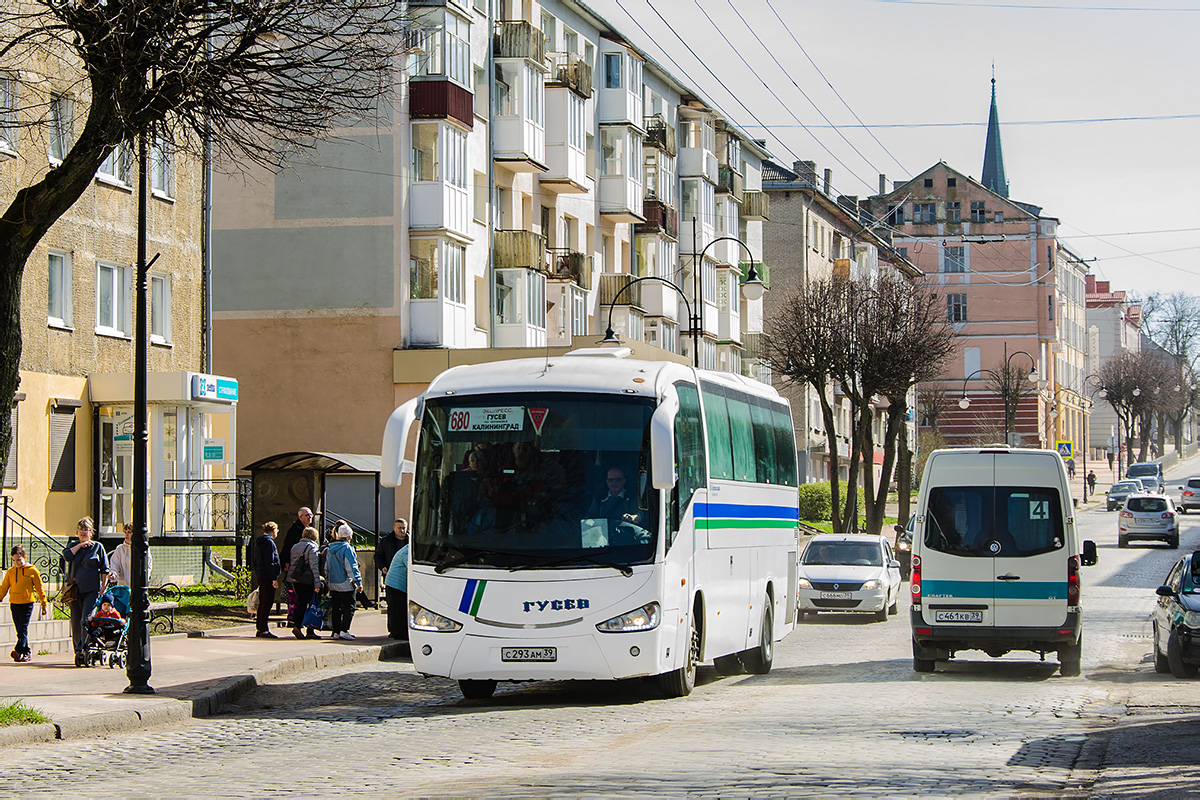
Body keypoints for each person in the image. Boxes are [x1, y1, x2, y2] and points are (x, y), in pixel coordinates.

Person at [61, 517, 110, 666]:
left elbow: (104, 569)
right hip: (75, 590)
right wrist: (80, 545)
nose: (83, 532)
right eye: (81, 529)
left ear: (91, 532)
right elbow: (67, 556)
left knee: (86, 619)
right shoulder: (73, 545)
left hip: (91, 590)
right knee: (75, 620)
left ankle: (85, 646)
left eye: (86, 530)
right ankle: (78, 649)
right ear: (77, 532)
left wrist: (103, 587)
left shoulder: (98, 547)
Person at [1, 545, 49, 663]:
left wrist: (44, 603)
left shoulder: (32, 571)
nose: (16, 563)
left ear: (25, 557)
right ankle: (26, 652)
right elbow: (4, 587)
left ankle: (17, 651)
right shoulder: (10, 572)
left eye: (19, 560)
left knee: (23, 628)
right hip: (14, 603)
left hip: (27, 604)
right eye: (14, 560)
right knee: (19, 630)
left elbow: (39, 588)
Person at [324, 522, 363, 640]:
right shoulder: (347, 548)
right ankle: (344, 630)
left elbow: (326, 567)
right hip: (345, 583)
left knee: (336, 608)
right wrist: (358, 582)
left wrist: (328, 582)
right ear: (347, 536)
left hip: (333, 583)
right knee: (349, 607)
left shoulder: (329, 548)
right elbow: (351, 566)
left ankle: (336, 631)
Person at [288, 526, 323, 640]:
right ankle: (305, 628)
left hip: (296, 579)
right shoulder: (312, 547)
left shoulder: (295, 546)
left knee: (301, 602)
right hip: (307, 580)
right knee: (309, 604)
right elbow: (314, 566)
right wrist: (317, 583)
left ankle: (300, 626)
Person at [252, 521, 281, 638]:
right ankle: (264, 629)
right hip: (268, 576)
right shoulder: (269, 543)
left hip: (261, 574)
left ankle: (260, 628)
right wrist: (274, 578)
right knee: (267, 603)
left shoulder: (259, 541)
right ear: (274, 531)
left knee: (262, 602)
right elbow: (270, 561)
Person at [108, 523, 152, 587]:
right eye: (125, 532)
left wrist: (144, 580)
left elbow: (148, 566)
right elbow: (114, 565)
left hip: (138, 587)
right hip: (123, 588)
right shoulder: (120, 549)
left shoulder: (143, 548)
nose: (126, 534)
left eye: (129, 532)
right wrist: (113, 575)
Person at [384, 535, 409, 640]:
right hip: (397, 584)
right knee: (398, 609)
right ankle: (398, 632)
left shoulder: (406, 549)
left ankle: (395, 631)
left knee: (395, 609)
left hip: (393, 583)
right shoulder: (407, 552)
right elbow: (411, 567)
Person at [280, 507, 313, 583]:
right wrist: (286, 561)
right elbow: (287, 546)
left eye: (311, 515)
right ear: (300, 517)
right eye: (307, 515)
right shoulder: (295, 530)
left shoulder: (308, 529)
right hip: (296, 565)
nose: (310, 517)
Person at [375, 518, 408, 590]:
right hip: (391, 576)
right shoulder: (386, 541)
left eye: (404, 528)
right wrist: (382, 566)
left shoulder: (410, 541)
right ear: (394, 527)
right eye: (399, 528)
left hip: (406, 576)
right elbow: (378, 556)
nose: (402, 530)